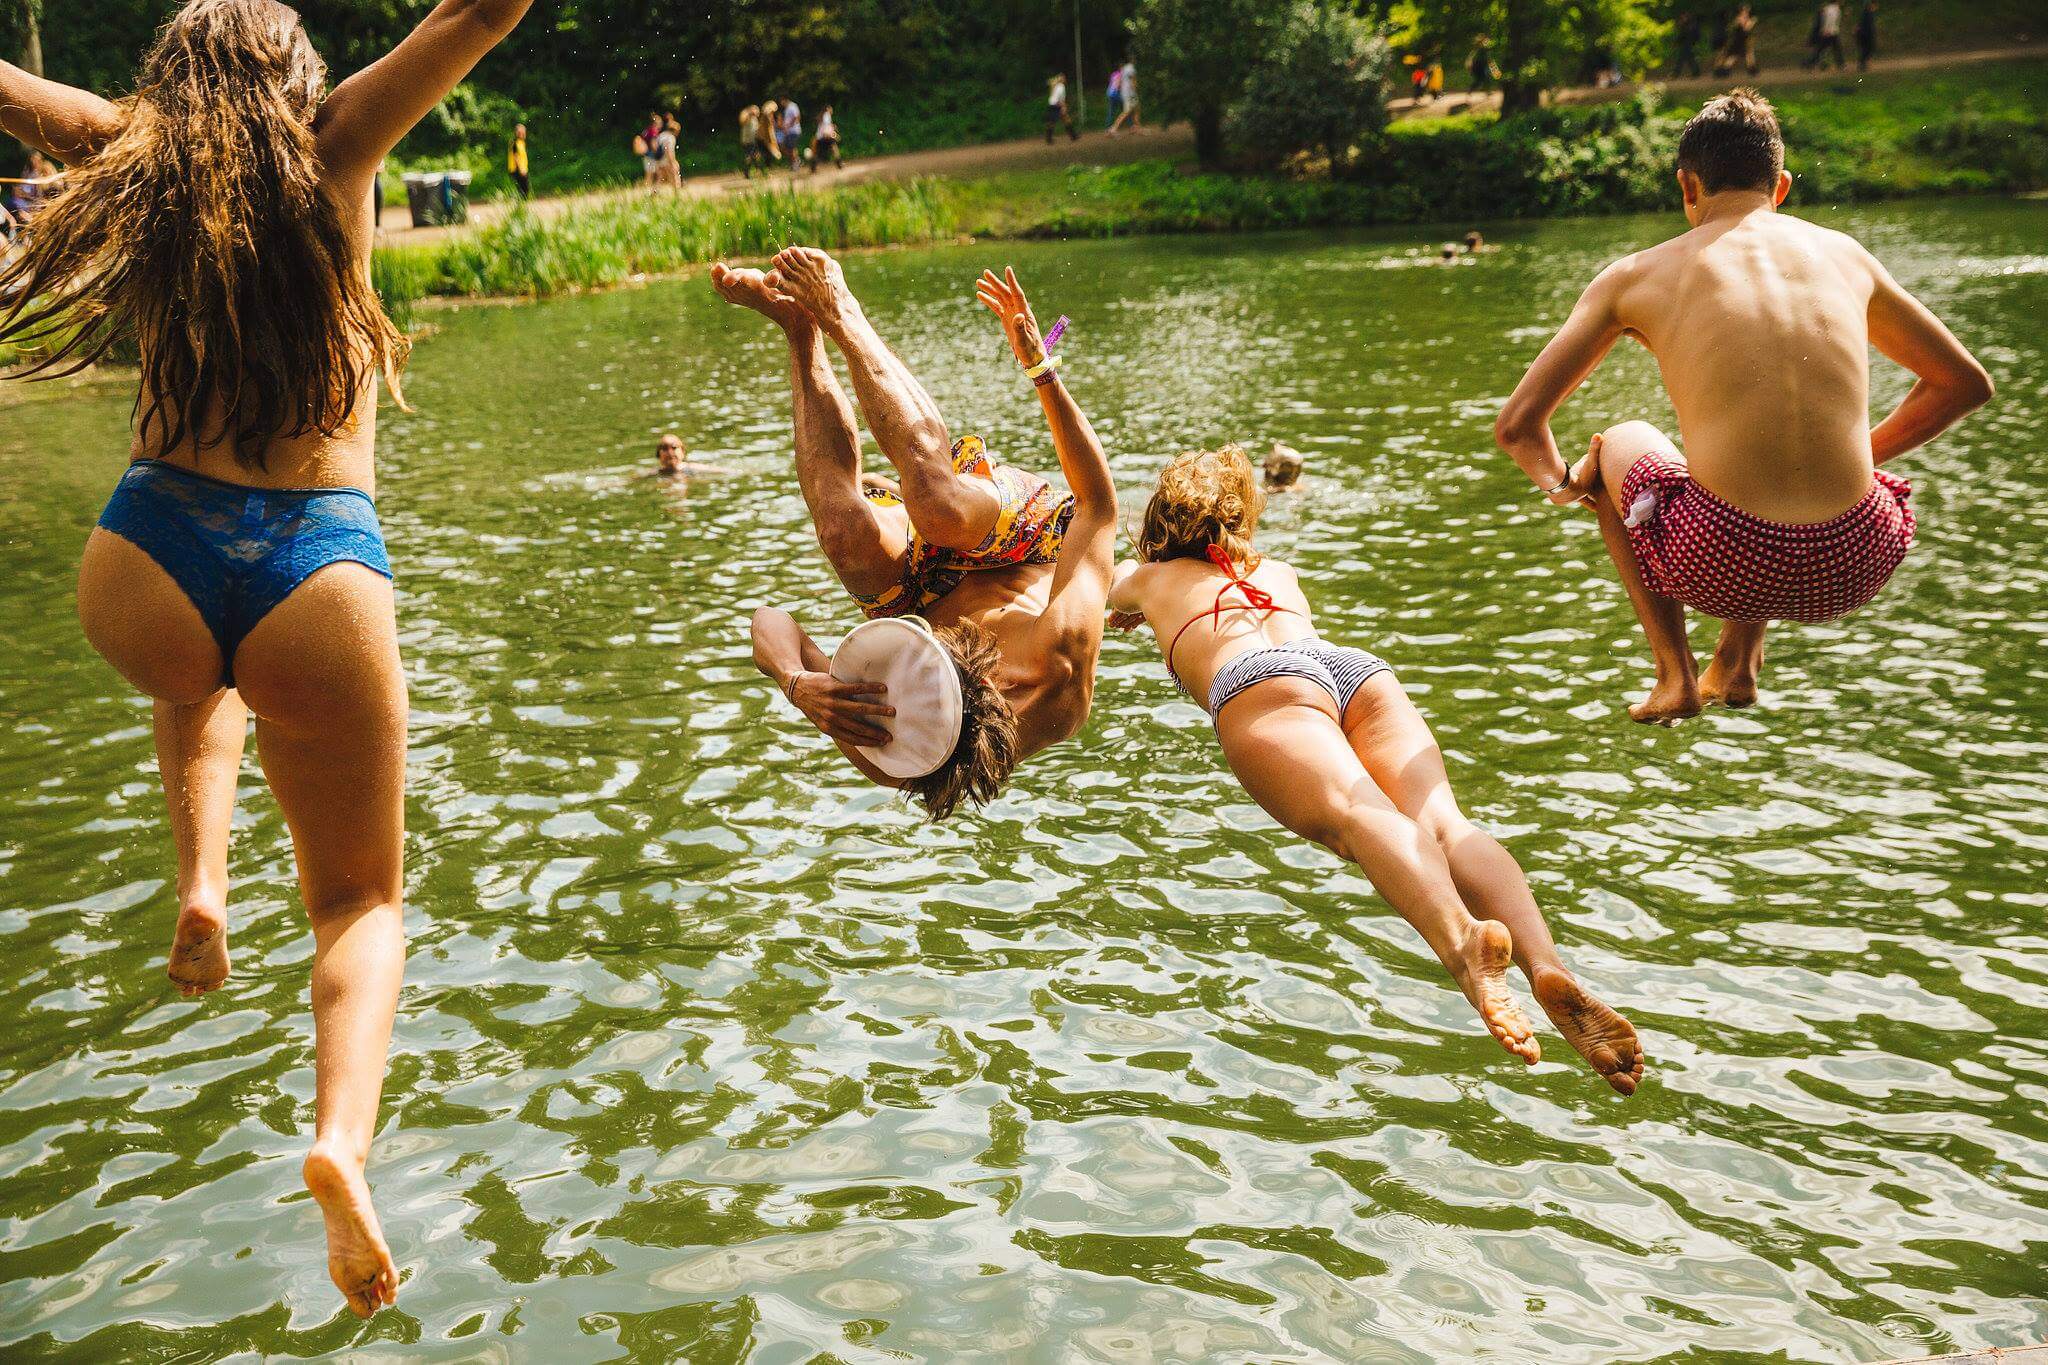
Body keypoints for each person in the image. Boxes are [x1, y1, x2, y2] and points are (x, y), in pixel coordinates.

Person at [0, 0, 536, 1318]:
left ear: (171, 81)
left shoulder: (130, 153)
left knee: (198, 679)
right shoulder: (338, 142)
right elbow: (483, 8)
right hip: (319, 572)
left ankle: (201, 886)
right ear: (296, 79)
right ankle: (341, 1142)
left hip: (146, 558)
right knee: (359, 900)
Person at [1106, 447, 1644, 1095]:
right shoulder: (1275, 569)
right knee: (1445, 823)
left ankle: (1464, 945)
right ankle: (1546, 964)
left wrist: (1131, 602)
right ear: (1241, 518)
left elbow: (1098, 592)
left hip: (1259, 681)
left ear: (1161, 526)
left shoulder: (1149, 573)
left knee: (1358, 816)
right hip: (1347, 667)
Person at [1495, 92, 1992, 723]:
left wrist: (1575, 488)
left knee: (1620, 440)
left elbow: (1518, 427)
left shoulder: (1635, 277)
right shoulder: (1844, 255)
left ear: (1688, 186)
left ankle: (1674, 677)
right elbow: (1964, 384)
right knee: (1772, 453)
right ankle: (1736, 661)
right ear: (1780, 186)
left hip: (1724, 559)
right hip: (1857, 556)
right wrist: (1860, 455)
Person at [712, 250, 1116, 819]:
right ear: (985, 672)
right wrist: (1041, 369)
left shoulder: (887, 746)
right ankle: (840, 310)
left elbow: (768, 622)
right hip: (1024, 549)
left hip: (918, 590)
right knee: (937, 505)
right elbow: (1098, 505)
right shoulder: (1058, 659)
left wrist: (796, 682)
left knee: (843, 534)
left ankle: (800, 327)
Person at [1714, 4, 1759, 77]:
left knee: (1748, 54)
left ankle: (1752, 70)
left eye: (1748, 10)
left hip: (1743, 40)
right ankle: (1722, 71)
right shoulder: (1740, 18)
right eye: (1745, 10)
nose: (1747, 12)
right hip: (1738, 41)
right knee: (1734, 56)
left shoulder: (1744, 18)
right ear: (1741, 11)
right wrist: (1752, 22)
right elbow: (1746, 29)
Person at [1802, 2, 1845, 70]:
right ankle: (1809, 63)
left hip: (1831, 32)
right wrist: (1826, 29)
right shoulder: (1834, 10)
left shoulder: (1829, 8)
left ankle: (1809, 63)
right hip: (1830, 33)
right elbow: (1829, 20)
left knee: (1829, 49)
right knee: (1832, 49)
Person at [1110, 58, 1140, 135]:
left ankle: (1135, 127)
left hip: (1125, 92)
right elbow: (1133, 80)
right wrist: (1135, 89)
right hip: (1130, 93)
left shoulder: (1124, 68)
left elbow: (1120, 80)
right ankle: (1113, 128)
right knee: (1127, 111)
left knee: (1136, 108)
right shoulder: (1131, 68)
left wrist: (1120, 89)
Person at [1045, 73, 1076, 144]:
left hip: (1053, 104)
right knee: (1052, 122)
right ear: (1062, 79)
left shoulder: (1056, 85)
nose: (1065, 79)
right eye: (1063, 78)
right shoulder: (1061, 86)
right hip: (1056, 105)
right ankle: (1049, 139)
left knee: (1066, 119)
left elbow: (1049, 83)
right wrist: (1063, 107)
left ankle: (1073, 136)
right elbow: (1060, 99)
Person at [811, 105, 842, 171]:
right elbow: (826, 129)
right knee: (834, 148)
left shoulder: (822, 115)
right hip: (825, 136)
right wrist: (835, 136)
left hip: (819, 137)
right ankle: (839, 163)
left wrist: (833, 128)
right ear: (828, 109)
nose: (832, 110)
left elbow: (824, 127)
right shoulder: (827, 115)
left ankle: (813, 166)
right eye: (831, 108)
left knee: (819, 153)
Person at [1673, 10, 1702, 77]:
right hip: (1686, 44)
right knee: (1689, 59)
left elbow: (1683, 35)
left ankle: (1676, 73)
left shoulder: (1691, 25)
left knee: (1683, 59)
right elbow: (1681, 35)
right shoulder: (1687, 25)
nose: (1682, 18)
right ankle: (1695, 73)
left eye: (1683, 17)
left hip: (1688, 44)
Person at [777, 98, 802, 173]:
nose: (781, 103)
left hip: (793, 131)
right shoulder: (787, 108)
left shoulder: (792, 106)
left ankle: (796, 164)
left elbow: (797, 117)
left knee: (792, 148)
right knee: (787, 148)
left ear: (784, 99)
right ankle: (795, 161)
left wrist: (788, 126)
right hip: (788, 132)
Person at [637, 110, 661, 188]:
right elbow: (653, 144)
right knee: (652, 175)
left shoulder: (647, 130)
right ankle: (648, 192)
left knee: (650, 174)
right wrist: (657, 154)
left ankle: (651, 191)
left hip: (646, 154)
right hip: (651, 155)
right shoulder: (653, 131)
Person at [507, 120, 529, 199]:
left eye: (523, 132)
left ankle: (521, 204)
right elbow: (516, 157)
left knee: (524, 188)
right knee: (522, 189)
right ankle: (519, 205)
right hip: (517, 169)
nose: (523, 134)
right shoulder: (515, 143)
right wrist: (521, 169)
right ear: (517, 133)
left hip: (522, 169)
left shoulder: (521, 142)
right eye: (521, 132)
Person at [740, 103, 762, 177]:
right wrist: (749, 113)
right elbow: (742, 121)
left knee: (757, 155)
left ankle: (758, 170)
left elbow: (757, 128)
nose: (757, 112)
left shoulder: (754, 119)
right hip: (747, 140)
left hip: (754, 140)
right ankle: (746, 172)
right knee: (749, 156)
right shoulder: (745, 115)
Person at [1856, 0, 1879, 70]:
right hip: (1865, 34)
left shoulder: (1868, 13)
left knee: (1867, 50)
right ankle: (1862, 64)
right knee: (1868, 49)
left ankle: (1862, 63)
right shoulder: (1868, 13)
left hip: (1865, 34)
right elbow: (1867, 25)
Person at [1105, 65, 1124, 130]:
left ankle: (1108, 126)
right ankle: (1131, 124)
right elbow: (1118, 85)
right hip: (1115, 93)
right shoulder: (1122, 75)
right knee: (1127, 108)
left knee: (1111, 111)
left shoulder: (1114, 74)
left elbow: (1111, 82)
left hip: (1109, 93)